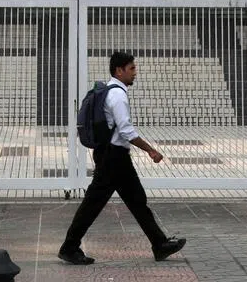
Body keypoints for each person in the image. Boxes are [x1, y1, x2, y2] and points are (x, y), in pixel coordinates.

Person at [58, 51, 187, 265]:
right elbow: (126, 131)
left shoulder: (112, 91)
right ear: (119, 70)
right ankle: (69, 247)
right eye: (132, 68)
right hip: (113, 158)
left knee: (137, 200)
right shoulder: (117, 95)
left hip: (114, 156)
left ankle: (160, 244)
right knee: (93, 203)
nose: (135, 72)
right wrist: (150, 150)